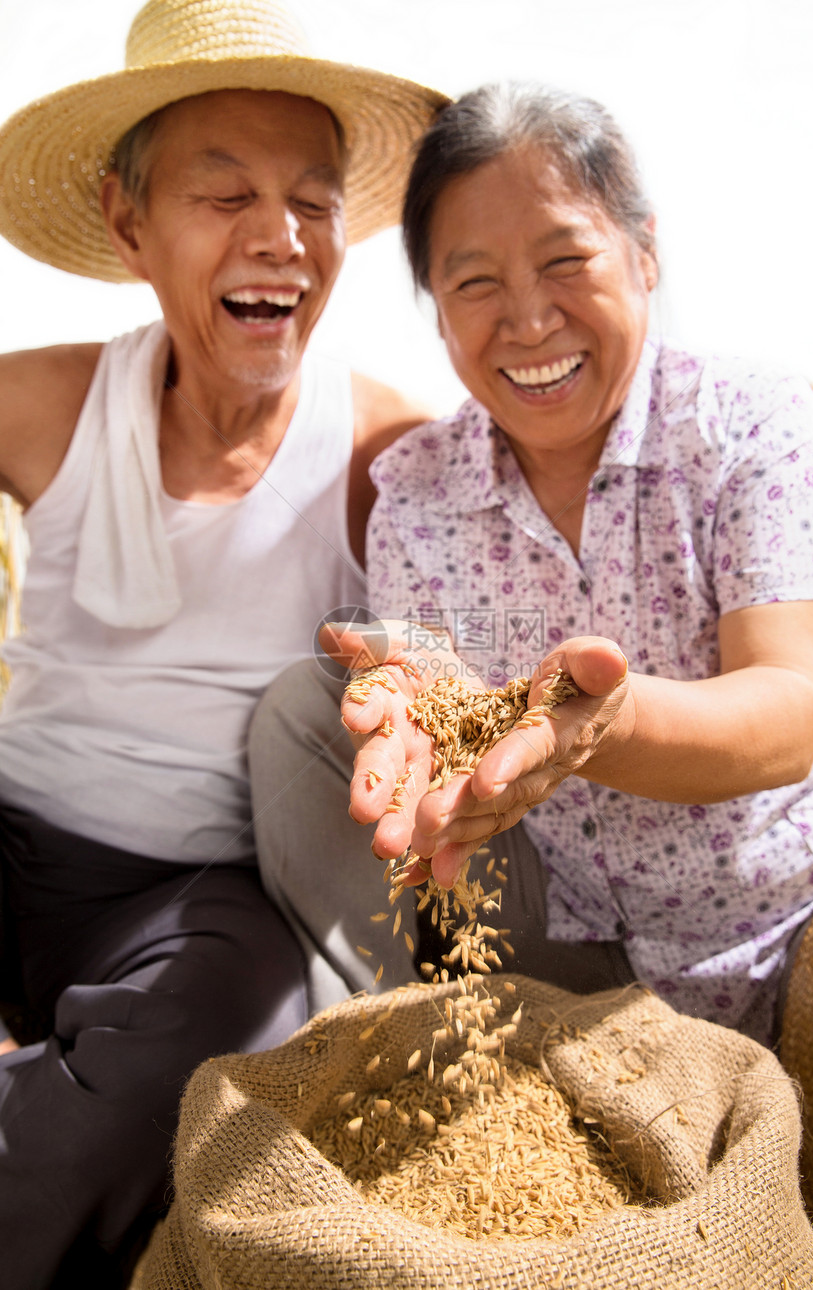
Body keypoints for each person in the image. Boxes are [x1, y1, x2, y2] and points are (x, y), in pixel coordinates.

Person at [260, 82, 813, 1059]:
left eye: (565, 261)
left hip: (772, 919)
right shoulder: (416, 490)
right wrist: (409, 709)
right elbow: (428, 690)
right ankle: (398, 1052)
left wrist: (603, 731)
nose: (529, 320)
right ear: (437, 310)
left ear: (644, 253)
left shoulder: (751, 427)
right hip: (567, 934)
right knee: (299, 707)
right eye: (474, 284)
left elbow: (789, 710)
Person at [0, 1, 445, 1285]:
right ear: (130, 223)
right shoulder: (47, 403)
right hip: (16, 832)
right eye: (226, 194)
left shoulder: (380, 448)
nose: (280, 238)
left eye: (313, 201)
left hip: (191, 905)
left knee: (227, 1050)